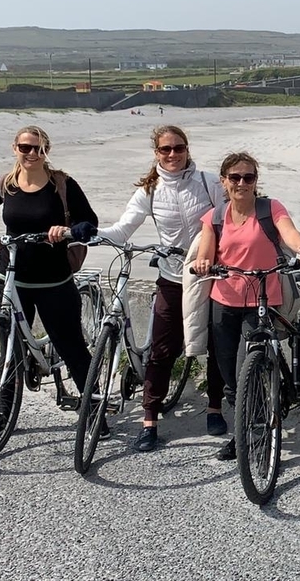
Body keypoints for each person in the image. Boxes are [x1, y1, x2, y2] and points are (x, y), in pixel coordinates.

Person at [88, 125, 227, 452]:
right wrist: (88, 233)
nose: (173, 154)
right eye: (166, 149)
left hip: (211, 276)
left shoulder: (208, 184)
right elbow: (122, 231)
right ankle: (149, 420)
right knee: (162, 350)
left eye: (179, 148)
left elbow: (230, 221)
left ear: (187, 149)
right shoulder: (149, 191)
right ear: (156, 153)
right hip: (172, 278)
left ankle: (215, 408)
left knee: (217, 346)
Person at [188, 152, 300, 461]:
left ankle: (249, 431)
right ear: (224, 182)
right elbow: (206, 251)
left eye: (248, 177)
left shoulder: (270, 208)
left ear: (255, 181)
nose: (242, 183)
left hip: (262, 297)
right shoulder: (215, 217)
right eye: (235, 177)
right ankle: (247, 423)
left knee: (245, 364)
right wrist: (204, 262)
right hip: (224, 299)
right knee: (227, 374)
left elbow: (289, 233)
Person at [0, 125, 100, 439]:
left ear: (46, 151)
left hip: (53, 280)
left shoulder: (62, 184)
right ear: (14, 148)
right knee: (9, 348)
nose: (31, 154)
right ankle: (3, 414)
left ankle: (94, 410)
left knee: (71, 348)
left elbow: (89, 223)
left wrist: (68, 230)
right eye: (25, 147)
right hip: (11, 277)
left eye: (38, 148)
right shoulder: (6, 184)